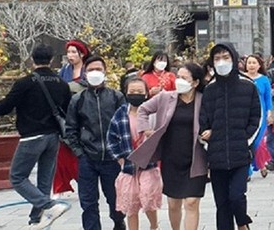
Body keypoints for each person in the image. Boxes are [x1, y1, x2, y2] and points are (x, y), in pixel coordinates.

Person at [0, 45, 71, 229]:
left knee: (17, 177)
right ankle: (36, 220)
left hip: (32, 136)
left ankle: (49, 206)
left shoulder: (25, 82)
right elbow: (67, 110)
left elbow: (6, 106)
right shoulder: (61, 83)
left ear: (32, 60)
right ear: (51, 59)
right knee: (44, 180)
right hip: (54, 136)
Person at [129, 63, 208, 230]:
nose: (179, 80)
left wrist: (211, 132)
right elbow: (143, 109)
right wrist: (146, 129)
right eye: (177, 76)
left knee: (192, 202)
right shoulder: (166, 97)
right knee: (173, 203)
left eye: (184, 78)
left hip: (196, 158)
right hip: (172, 158)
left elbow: (216, 119)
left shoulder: (204, 100)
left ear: (195, 82)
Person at [200, 43, 261, 230]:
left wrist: (245, 140)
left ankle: (242, 222)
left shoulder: (247, 85)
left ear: (234, 59)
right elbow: (203, 119)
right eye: (217, 58)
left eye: (225, 57)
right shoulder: (210, 89)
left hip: (240, 154)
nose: (221, 62)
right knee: (222, 205)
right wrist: (206, 136)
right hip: (217, 156)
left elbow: (256, 117)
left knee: (236, 196)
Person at [65, 55, 127, 230]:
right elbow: (70, 129)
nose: (95, 73)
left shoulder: (116, 97)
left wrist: (121, 152)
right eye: (91, 69)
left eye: (98, 69)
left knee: (115, 199)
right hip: (87, 158)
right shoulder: (78, 99)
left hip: (112, 157)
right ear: (85, 73)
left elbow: (125, 126)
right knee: (88, 201)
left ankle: (118, 221)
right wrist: (79, 152)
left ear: (105, 72)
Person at [106, 77, 162, 230]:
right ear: (126, 92)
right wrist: (119, 159)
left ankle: (154, 225)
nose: (135, 94)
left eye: (139, 91)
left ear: (146, 93)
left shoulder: (153, 113)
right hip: (129, 166)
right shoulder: (121, 113)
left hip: (149, 164)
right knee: (131, 204)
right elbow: (111, 138)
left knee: (148, 198)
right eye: (132, 91)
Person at [54, 39, 90, 196]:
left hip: (83, 114)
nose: (70, 55)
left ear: (82, 54)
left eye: (74, 52)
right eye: (68, 52)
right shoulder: (64, 70)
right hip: (66, 113)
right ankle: (61, 186)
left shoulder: (88, 70)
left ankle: (84, 180)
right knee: (61, 152)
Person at [245, 54, 273, 178]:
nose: (251, 65)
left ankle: (261, 164)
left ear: (259, 65)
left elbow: (268, 98)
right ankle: (248, 171)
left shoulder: (264, 80)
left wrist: (269, 112)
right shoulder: (242, 78)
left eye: (254, 63)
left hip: (260, 114)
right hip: (245, 114)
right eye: (249, 62)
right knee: (246, 143)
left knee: (258, 143)